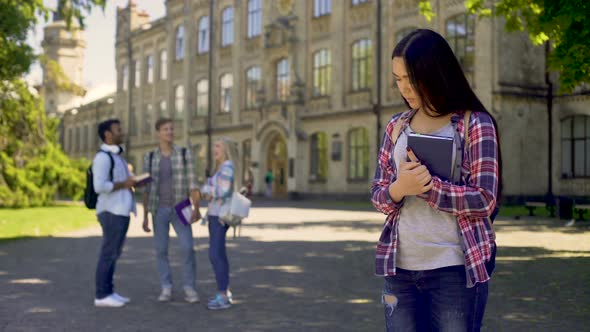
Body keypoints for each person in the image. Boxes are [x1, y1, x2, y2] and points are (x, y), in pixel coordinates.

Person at [371, 29, 501, 331]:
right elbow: (378, 195)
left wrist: (430, 188)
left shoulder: (475, 124)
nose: (404, 88)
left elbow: (484, 199)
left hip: (455, 269)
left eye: (410, 78)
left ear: (435, 72)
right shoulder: (396, 126)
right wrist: (399, 189)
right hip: (399, 269)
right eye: (398, 79)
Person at [141, 118, 202, 303]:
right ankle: (166, 287)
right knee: (160, 250)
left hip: (182, 206)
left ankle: (189, 288)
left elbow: (192, 182)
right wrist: (145, 216)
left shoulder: (184, 154)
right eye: (165, 129)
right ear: (158, 133)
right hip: (158, 209)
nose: (169, 132)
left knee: (188, 248)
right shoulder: (149, 157)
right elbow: (146, 189)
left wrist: (196, 208)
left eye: (171, 129)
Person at [92, 119, 137, 307]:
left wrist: (133, 181)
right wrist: (124, 184)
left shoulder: (118, 156)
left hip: (121, 211)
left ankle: (109, 291)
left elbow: (121, 180)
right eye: (118, 130)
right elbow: (99, 186)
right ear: (108, 135)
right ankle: (102, 295)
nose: (122, 132)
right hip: (110, 211)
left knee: (114, 253)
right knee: (108, 253)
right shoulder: (103, 158)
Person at [201, 137, 241, 310]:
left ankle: (223, 295)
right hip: (215, 215)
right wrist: (208, 190)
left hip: (219, 217)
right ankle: (225, 291)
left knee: (215, 254)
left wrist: (206, 190)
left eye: (218, 146)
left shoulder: (227, 167)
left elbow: (222, 191)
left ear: (226, 149)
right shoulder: (222, 168)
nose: (214, 149)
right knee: (218, 254)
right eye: (214, 146)